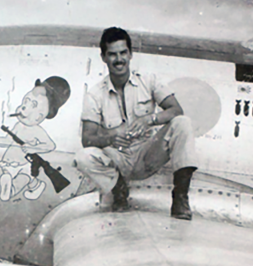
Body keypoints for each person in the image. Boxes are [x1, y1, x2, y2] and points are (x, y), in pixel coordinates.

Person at [75, 27, 198, 220]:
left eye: (123, 53)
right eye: (112, 54)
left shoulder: (149, 81)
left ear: (131, 54)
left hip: (147, 155)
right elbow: (87, 139)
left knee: (182, 123)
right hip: (117, 159)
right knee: (83, 156)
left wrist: (149, 119)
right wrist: (112, 137)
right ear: (104, 58)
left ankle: (180, 198)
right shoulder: (94, 95)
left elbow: (176, 110)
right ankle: (119, 190)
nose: (119, 60)